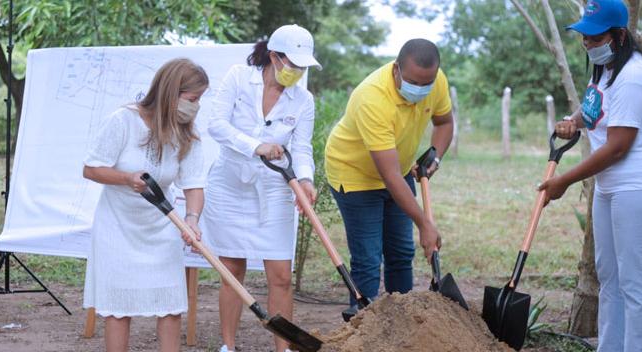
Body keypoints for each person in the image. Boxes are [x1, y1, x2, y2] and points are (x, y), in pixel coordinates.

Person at [540, 1, 642, 351]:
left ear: (619, 35)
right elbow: (596, 105)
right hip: (613, 184)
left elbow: (618, 145)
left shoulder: (633, 75)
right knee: (611, 279)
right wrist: (574, 120)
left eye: (595, 37)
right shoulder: (605, 68)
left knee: (634, 280)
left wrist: (565, 180)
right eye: (584, 37)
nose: (588, 43)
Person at [201, 24, 320, 352]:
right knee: (232, 268)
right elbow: (217, 125)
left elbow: (304, 148)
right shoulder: (239, 77)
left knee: (280, 274)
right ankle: (228, 345)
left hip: (274, 188)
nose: (296, 72)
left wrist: (306, 181)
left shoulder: (303, 100)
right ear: (274, 57)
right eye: (292, 64)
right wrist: (257, 146)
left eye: (302, 67)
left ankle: (283, 350)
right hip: (229, 184)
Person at [82, 58, 208, 352]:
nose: (196, 106)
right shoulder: (123, 120)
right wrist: (127, 178)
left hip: (163, 225)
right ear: (171, 92)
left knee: (170, 306)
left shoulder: (187, 133)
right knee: (118, 308)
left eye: (200, 100)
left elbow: (194, 183)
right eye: (192, 99)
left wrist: (191, 219)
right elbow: (91, 169)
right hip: (117, 226)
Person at [324, 38, 454, 316]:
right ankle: (363, 329)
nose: (420, 89)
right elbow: (390, 176)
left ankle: (401, 322)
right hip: (355, 174)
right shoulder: (372, 97)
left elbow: (444, 122)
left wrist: (435, 155)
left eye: (426, 84)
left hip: (399, 169)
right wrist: (425, 224)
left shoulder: (437, 81)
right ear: (396, 69)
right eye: (413, 82)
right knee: (369, 258)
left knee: (401, 253)